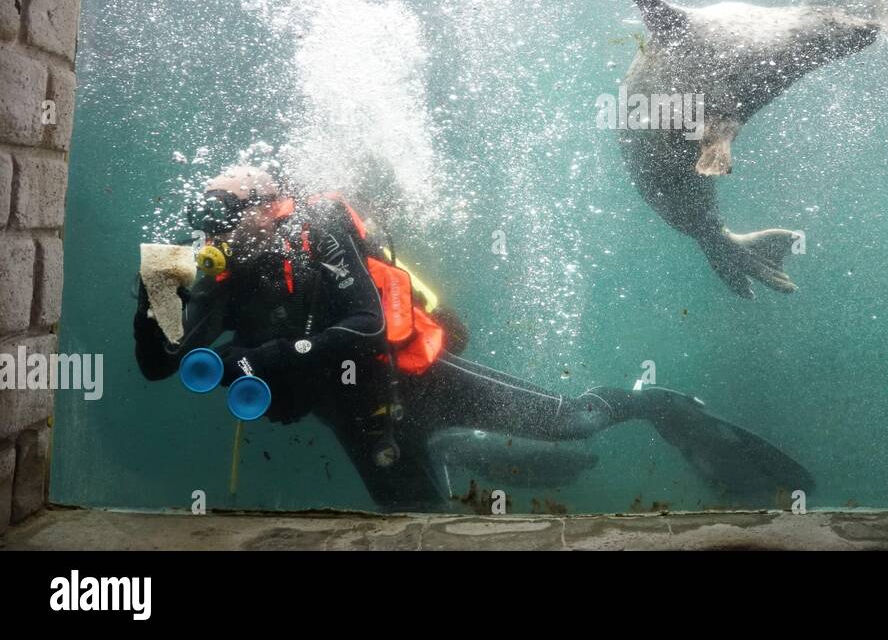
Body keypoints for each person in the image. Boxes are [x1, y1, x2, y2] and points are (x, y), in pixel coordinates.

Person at [134, 160, 814, 512]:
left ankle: (650, 402)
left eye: (228, 212)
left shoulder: (315, 231)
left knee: (574, 421)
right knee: (418, 520)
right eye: (208, 216)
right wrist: (151, 295)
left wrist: (263, 356)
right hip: (358, 415)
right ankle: (458, 456)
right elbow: (162, 365)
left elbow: (367, 325)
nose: (215, 230)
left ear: (269, 205)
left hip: (418, 375)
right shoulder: (219, 274)